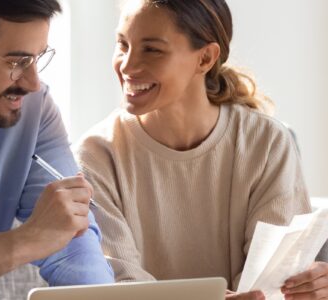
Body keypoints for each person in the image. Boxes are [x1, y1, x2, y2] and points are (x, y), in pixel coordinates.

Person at [74, 0, 328, 299]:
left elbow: (267, 282)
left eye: (151, 49)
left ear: (205, 58)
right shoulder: (96, 155)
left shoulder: (267, 142)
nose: (127, 65)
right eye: (122, 44)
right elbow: (121, 286)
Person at [0, 0, 114, 299]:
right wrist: (25, 242)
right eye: (16, 62)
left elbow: (72, 240)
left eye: (38, 58)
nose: (33, 83)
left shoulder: (35, 112)